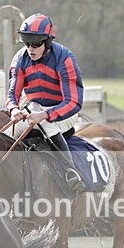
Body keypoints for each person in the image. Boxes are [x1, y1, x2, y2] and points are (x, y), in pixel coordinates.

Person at [6, 13, 86, 192]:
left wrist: (46, 114)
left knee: (44, 122)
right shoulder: (20, 58)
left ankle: (70, 171)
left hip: (65, 110)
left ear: (47, 42)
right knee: (12, 131)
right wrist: (13, 109)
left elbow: (74, 101)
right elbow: (12, 93)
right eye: (27, 44)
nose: (30, 49)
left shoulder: (64, 58)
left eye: (36, 44)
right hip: (35, 108)